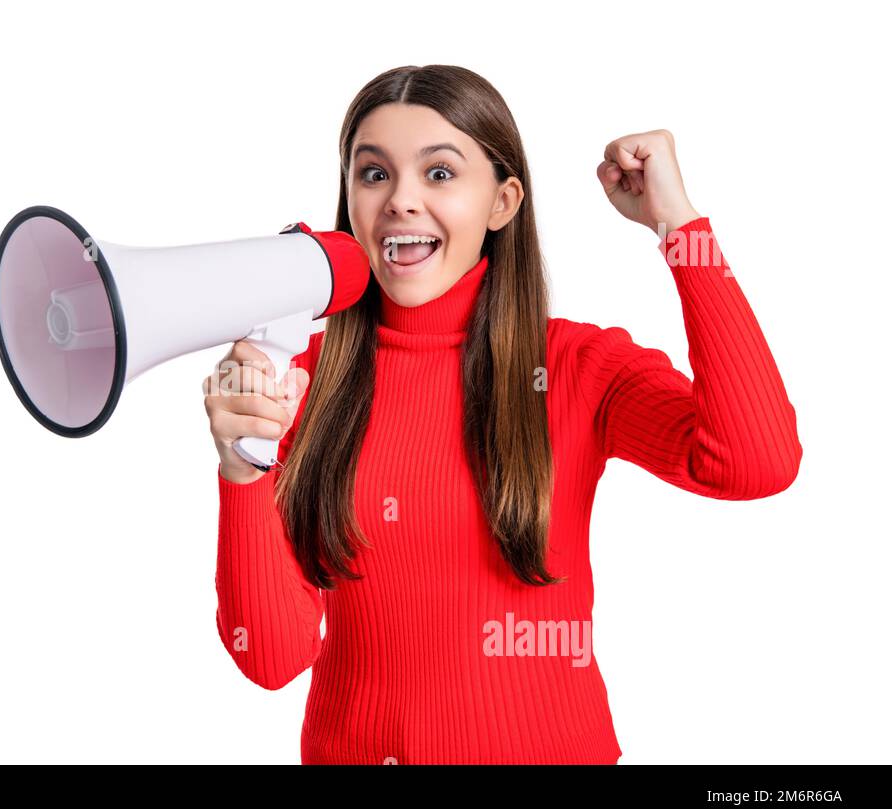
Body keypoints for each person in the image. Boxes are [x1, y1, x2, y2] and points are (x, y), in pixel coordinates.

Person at [202, 65, 802, 764]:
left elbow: (755, 462)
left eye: (440, 174)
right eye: (373, 175)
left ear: (503, 201)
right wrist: (242, 468)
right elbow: (271, 659)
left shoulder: (578, 367)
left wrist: (680, 227)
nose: (400, 201)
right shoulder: (299, 381)